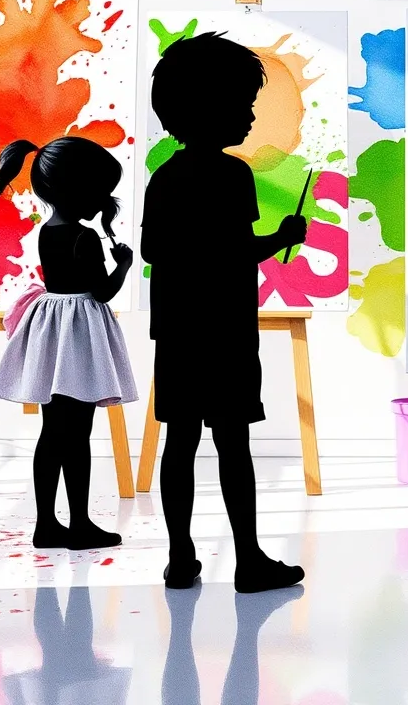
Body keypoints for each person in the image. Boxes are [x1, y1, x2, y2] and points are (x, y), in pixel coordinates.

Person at [142, 32, 307, 594]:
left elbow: (153, 250)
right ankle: (249, 560)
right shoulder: (233, 176)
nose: (251, 115)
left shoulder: (165, 177)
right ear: (211, 108)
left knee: (180, 441)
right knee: (233, 444)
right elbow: (237, 250)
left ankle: (180, 557)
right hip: (228, 332)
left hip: (177, 331)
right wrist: (282, 236)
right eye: (244, 104)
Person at [0, 136, 138, 550]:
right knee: (78, 433)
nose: (104, 200)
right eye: (99, 191)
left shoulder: (47, 232)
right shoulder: (84, 238)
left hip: (52, 328)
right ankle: (80, 523)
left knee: (52, 432)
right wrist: (123, 266)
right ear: (77, 189)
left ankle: (47, 523)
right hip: (78, 335)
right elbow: (102, 291)